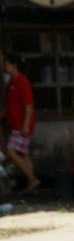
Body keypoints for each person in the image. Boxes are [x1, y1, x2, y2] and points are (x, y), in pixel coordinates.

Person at [2, 52, 40, 194]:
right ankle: (32, 183)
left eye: (6, 64)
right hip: (16, 124)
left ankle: (33, 179)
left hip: (21, 126)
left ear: (14, 66)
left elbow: (28, 105)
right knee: (24, 155)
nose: (4, 66)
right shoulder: (11, 82)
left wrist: (25, 125)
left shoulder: (22, 81)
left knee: (10, 151)